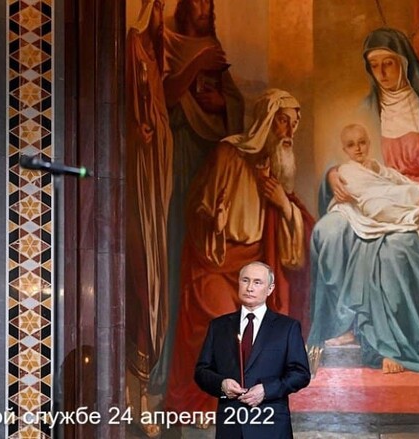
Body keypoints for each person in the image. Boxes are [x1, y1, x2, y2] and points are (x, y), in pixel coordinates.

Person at [308, 28, 419, 373]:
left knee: (394, 252)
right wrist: (332, 175)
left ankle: (391, 345)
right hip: (371, 194)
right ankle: (342, 326)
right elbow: (342, 154)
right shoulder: (367, 107)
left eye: (389, 63)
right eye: (375, 66)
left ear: (405, 62)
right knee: (327, 231)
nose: (383, 73)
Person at [164, 89, 314, 416]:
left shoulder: (274, 170)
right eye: (282, 121)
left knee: (266, 339)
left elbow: (301, 230)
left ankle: (251, 407)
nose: (289, 131)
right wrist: (213, 220)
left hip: (257, 272)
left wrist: (283, 206)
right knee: (222, 329)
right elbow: (198, 208)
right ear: (265, 121)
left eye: (294, 124)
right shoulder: (228, 153)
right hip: (215, 264)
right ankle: (207, 410)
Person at [150, 0, 245, 395]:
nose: (205, 7)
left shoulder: (212, 46)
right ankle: (168, 358)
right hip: (181, 157)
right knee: (179, 250)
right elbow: (159, 97)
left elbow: (235, 105)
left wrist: (222, 104)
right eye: (199, 1)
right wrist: (194, 66)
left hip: (212, 160)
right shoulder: (167, 42)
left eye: (209, 2)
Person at [124, 1, 173, 436]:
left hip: (158, 184)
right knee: (141, 281)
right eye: (157, 6)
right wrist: (134, 133)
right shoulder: (132, 48)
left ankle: (148, 384)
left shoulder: (155, 57)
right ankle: (133, 387)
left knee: (155, 279)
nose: (163, 15)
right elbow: (122, 110)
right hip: (138, 183)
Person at [194, 261, 311, 438]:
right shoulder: (218, 327)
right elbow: (202, 371)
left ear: (270, 289)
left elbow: (300, 374)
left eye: (257, 282)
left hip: (271, 427)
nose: (249, 288)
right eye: (245, 280)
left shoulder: (287, 328)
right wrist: (222, 384)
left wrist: (267, 390)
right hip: (230, 426)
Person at [328, 123, 419, 245]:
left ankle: (416, 209)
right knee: (376, 207)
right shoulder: (345, 170)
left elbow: (397, 179)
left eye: (362, 142)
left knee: (406, 191)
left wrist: (378, 172)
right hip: (368, 202)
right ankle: (412, 216)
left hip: (389, 195)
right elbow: (354, 193)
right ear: (345, 150)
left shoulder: (376, 166)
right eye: (351, 145)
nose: (357, 148)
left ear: (369, 144)